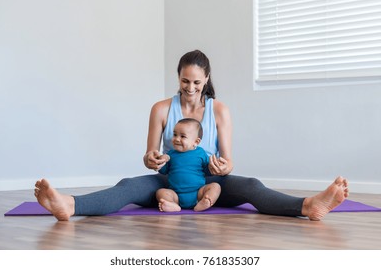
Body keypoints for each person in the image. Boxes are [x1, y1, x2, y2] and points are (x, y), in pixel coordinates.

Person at [34, 49, 349, 221]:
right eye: (186, 81)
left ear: (206, 78)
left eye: (197, 83)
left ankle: (309, 206)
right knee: (128, 186)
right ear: (178, 77)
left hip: (209, 183)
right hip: (169, 181)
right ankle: (69, 205)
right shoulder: (160, 108)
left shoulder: (220, 110)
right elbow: (149, 158)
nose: (191, 88)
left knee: (252, 185)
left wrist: (223, 168)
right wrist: (152, 158)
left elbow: (228, 161)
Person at [156, 118, 221, 212]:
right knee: (160, 192)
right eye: (175, 134)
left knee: (215, 186)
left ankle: (206, 201)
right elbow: (163, 171)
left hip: (198, 193)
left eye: (183, 136)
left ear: (196, 142)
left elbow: (208, 171)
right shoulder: (170, 154)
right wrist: (161, 161)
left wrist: (212, 166)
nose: (177, 139)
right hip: (176, 194)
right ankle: (172, 204)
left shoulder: (201, 153)